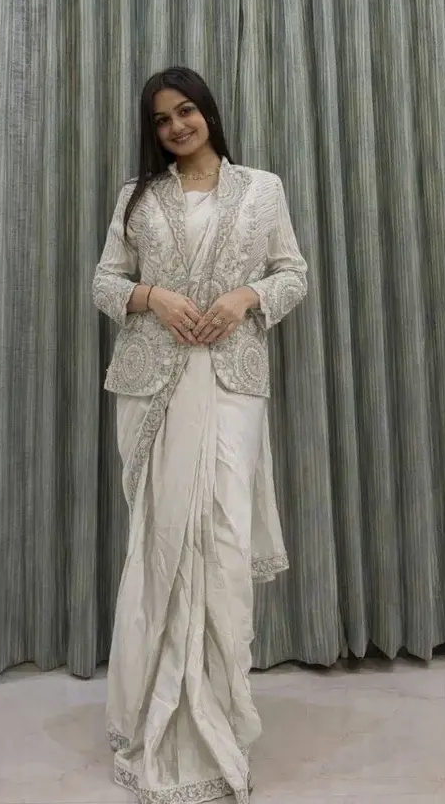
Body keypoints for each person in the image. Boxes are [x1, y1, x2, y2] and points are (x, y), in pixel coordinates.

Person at [93, 67, 308, 804]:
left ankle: (218, 720)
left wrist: (247, 295)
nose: (177, 126)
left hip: (230, 383)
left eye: (186, 111)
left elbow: (293, 273)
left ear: (209, 112)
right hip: (153, 387)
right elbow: (104, 283)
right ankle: (149, 718)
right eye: (161, 119)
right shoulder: (138, 197)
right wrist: (152, 296)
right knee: (161, 544)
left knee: (221, 540)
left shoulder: (262, 190)